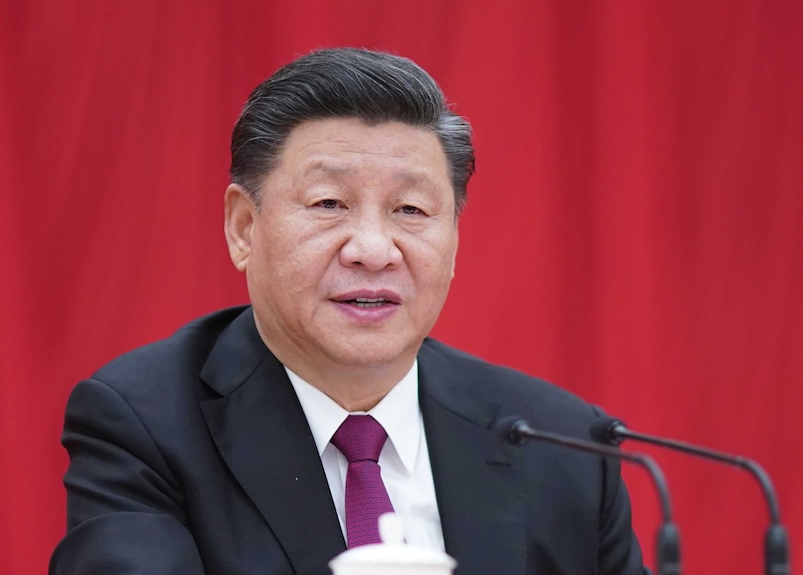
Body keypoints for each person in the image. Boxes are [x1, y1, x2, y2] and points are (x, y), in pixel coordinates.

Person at [50, 48, 647, 575]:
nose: (372, 250)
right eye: (329, 203)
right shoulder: (146, 425)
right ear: (243, 227)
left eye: (411, 210)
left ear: (456, 239)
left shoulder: (564, 444)